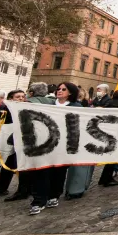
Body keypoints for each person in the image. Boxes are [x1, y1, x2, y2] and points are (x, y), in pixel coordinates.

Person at [29, 82, 82, 215]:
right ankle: (38, 201)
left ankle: (54, 196)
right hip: (45, 144)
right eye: (58, 89)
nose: (59, 91)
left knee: (58, 172)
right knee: (41, 171)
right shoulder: (49, 105)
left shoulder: (77, 107)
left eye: (64, 89)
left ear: (70, 92)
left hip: (64, 145)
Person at [97, 89, 118, 188]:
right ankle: (107, 179)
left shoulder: (108, 103)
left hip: (108, 132)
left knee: (110, 156)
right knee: (114, 157)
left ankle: (103, 178)